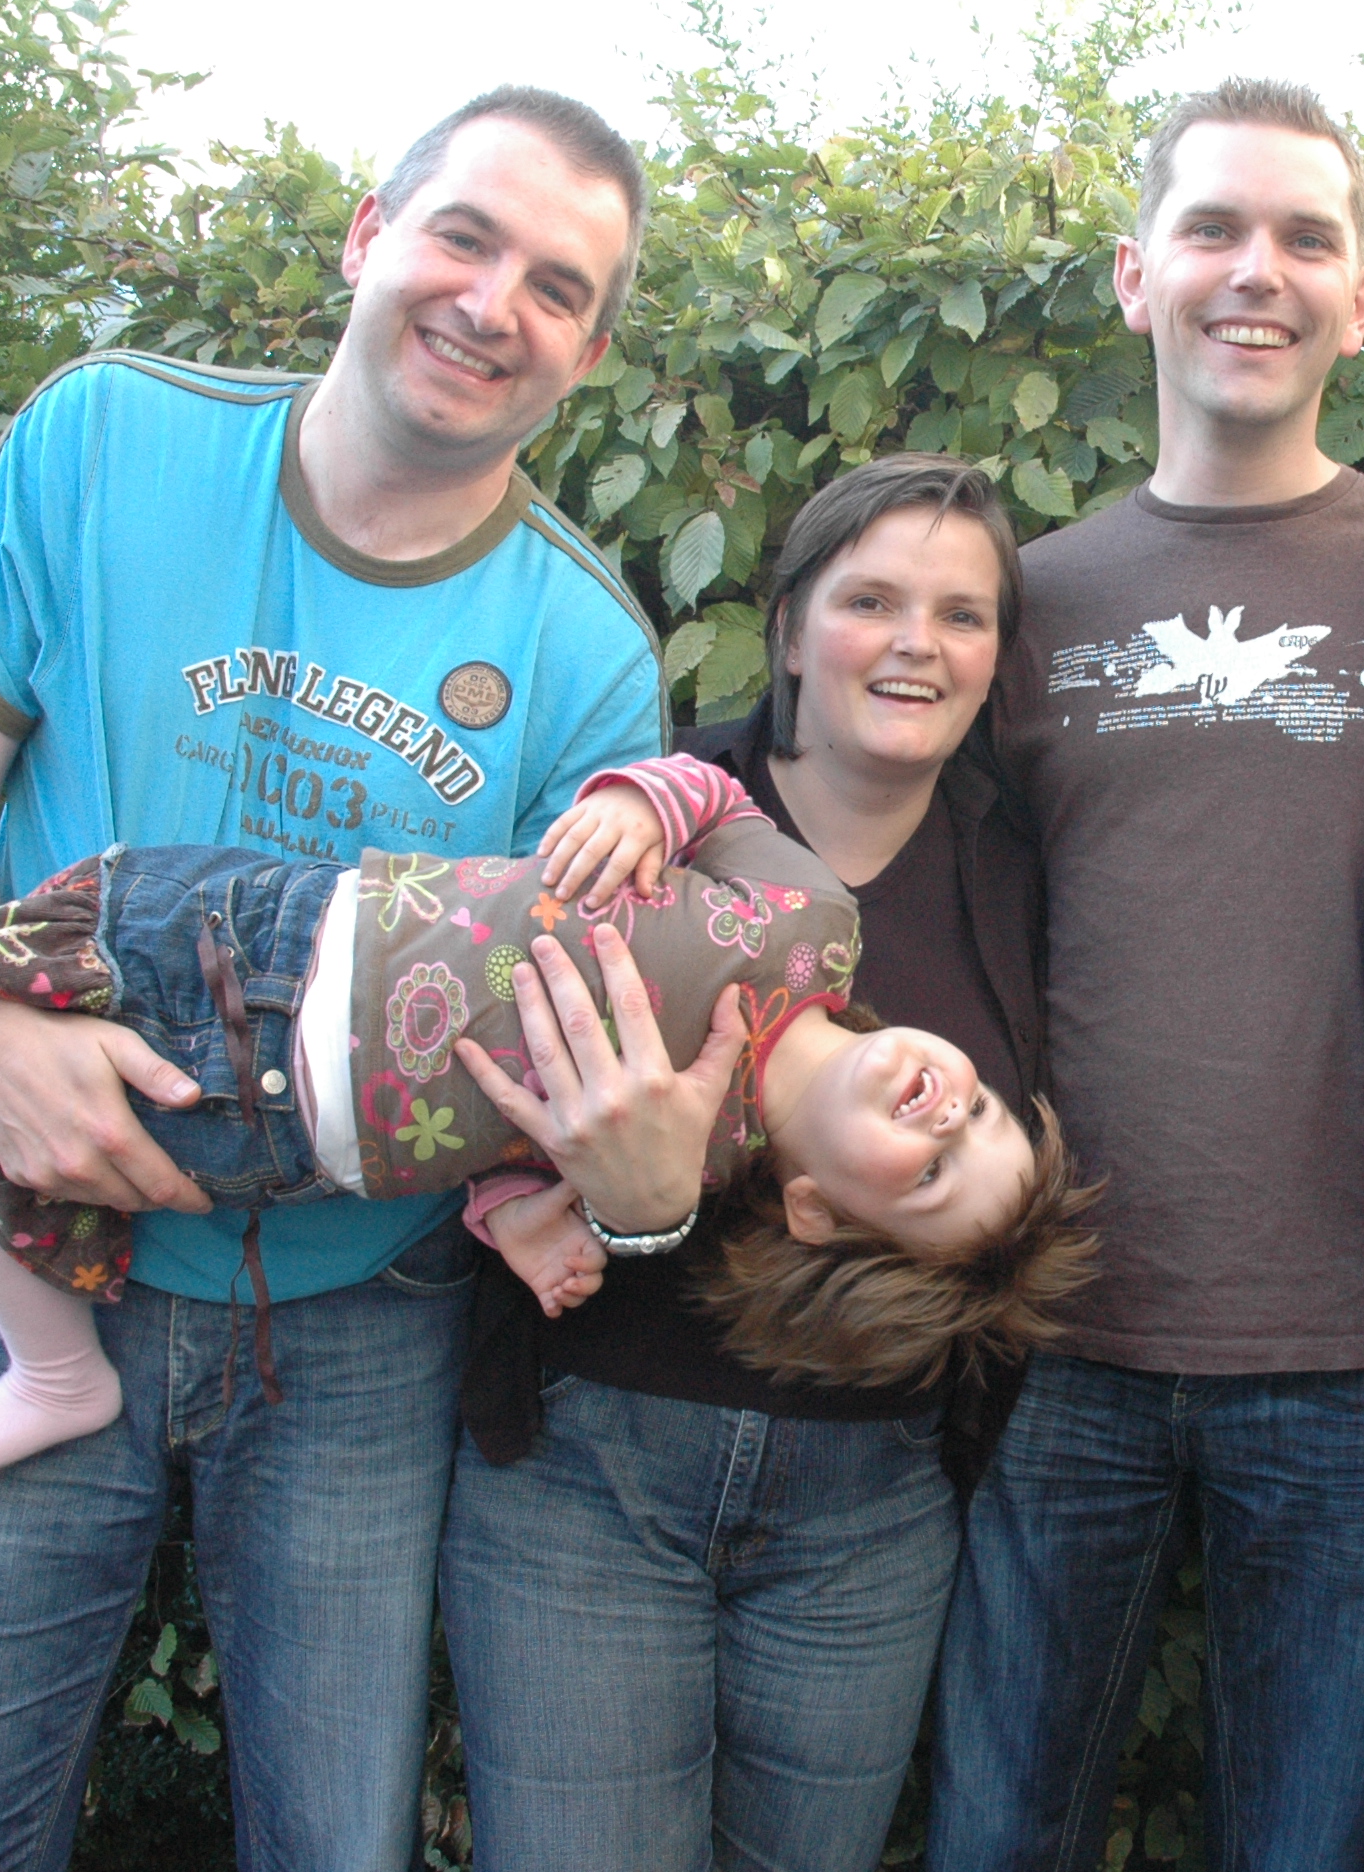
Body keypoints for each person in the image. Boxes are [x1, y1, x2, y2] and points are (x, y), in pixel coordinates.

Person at [0, 87, 739, 1872]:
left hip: (357, 1328)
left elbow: (542, 1053)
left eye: (557, 287)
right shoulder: (106, 438)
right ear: (367, 235)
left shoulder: (584, 660)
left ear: (590, 356)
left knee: (333, 1840)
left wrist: (615, 1190)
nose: (493, 303)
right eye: (463, 236)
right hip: (24, 1249)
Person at [0, 756, 1087, 1476]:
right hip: (293, 932)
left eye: (932, 1171)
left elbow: (500, 1154)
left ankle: (54, 1373)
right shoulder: (814, 925)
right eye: (982, 1112)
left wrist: (524, 1227)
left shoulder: (686, 1164)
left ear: (819, 1212)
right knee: (13, 1004)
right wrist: (641, 803)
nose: (946, 1111)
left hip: (283, 1137)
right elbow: (714, 796)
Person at [932, 79, 1364, 1872]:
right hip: (1055, 1332)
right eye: (1214, 229)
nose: (1259, 271)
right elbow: (872, 847)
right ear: (1134, 274)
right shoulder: (1025, 601)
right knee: (997, 1835)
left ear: (1362, 299)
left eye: (1306, 238)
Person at [440, 452, 1059, 1872]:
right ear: (786, 630)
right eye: (870, 600)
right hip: (592, 1475)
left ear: (994, 663)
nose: (916, 643)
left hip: (869, 1511)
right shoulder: (646, 817)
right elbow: (461, 1067)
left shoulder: (1024, 873)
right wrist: (625, 1215)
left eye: (962, 615)